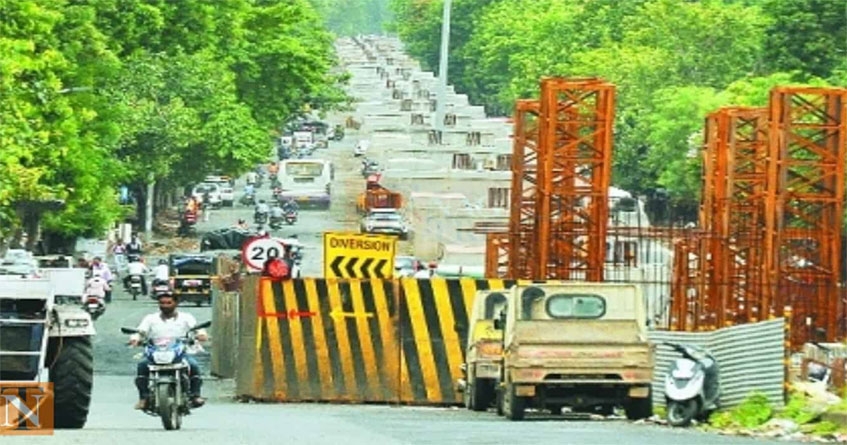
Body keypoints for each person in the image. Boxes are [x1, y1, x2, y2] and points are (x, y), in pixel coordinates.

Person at [128, 292, 208, 410]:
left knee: (193, 365)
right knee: (142, 366)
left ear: (176, 303)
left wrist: (201, 335)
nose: (165, 306)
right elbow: (140, 332)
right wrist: (135, 339)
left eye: (168, 303)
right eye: (162, 303)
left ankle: (195, 395)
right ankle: (143, 398)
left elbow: (198, 330)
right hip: (156, 352)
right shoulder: (151, 318)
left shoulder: (186, 318)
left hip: (180, 352)